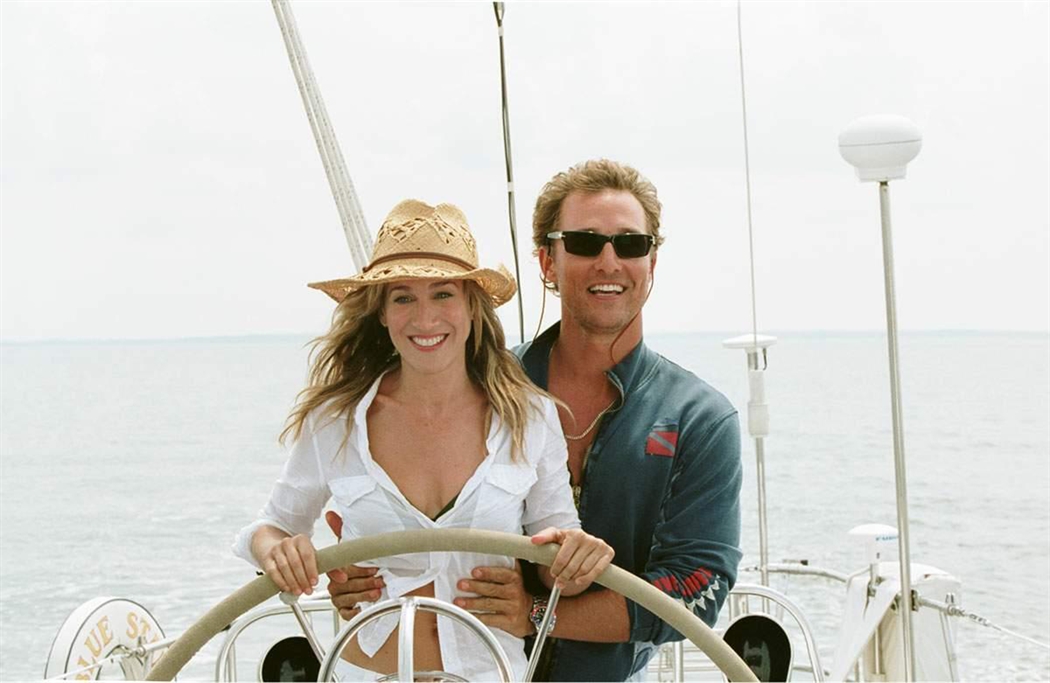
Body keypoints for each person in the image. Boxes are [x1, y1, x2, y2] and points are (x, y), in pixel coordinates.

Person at [329, 160, 743, 681]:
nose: (609, 262)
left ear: (651, 262)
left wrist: (535, 614)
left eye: (631, 244)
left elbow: (697, 593)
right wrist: (354, 577)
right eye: (585, 243)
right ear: (548, 261)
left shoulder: (700, 419)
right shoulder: (473, 390)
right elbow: (398, 520)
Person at [233, 199, 614, 681]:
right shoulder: (336, 421)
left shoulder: (529, 417)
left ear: (473, 305)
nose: (425, 318)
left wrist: (577, 558)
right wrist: (278, 552)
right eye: (403, 298)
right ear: (382, 313)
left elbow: (559, 560)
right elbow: (272, 527)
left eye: (443, 294)